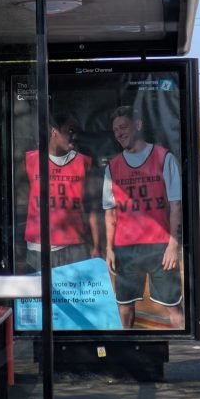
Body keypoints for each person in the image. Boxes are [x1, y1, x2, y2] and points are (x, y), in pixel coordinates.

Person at [103, 105, 183, 329]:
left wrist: (173, 245)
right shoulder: (112, 167)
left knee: (174, 307)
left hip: (159, 246)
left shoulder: (164, 158)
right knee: (124, 307)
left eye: (123, 126)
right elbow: (110, 212)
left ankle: (184, 352)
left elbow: (176, 205)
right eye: (115, 129)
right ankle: (124, 352)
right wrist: (109, 248)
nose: (119, 133)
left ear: (137, 125)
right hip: (126, 249)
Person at [24, 113, 100, 270]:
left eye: (77, 132)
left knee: (74, 294)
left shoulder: (83, 162)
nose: (74, 136)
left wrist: (97, 245)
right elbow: (21, 198)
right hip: (39, 246)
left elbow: (93, 207)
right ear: (54, 131)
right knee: (42, 293)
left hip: (74, 245)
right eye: (70, 131)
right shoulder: (31, 160)